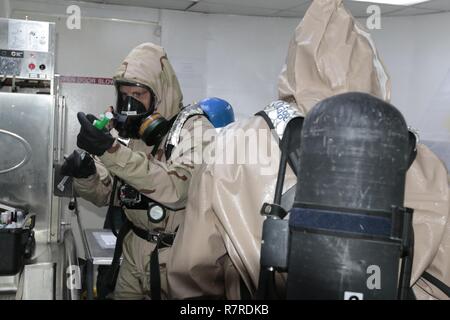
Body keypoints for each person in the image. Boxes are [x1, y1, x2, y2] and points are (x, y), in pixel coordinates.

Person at [166, 0, 450, 300]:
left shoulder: (232, 146)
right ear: (373, 70)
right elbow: (441, 283)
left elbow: (192, 277)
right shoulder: (424, 164)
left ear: (294, 64)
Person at [61, 42, 215, 299]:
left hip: (177, 258)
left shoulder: (195, 130)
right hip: (134, 252)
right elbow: (108, 195)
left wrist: (111, 151)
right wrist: (86, 174)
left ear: (160, 95)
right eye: (125, 96)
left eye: (138, 95)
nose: (130, 104)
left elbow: (178, 190)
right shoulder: (134, 139)